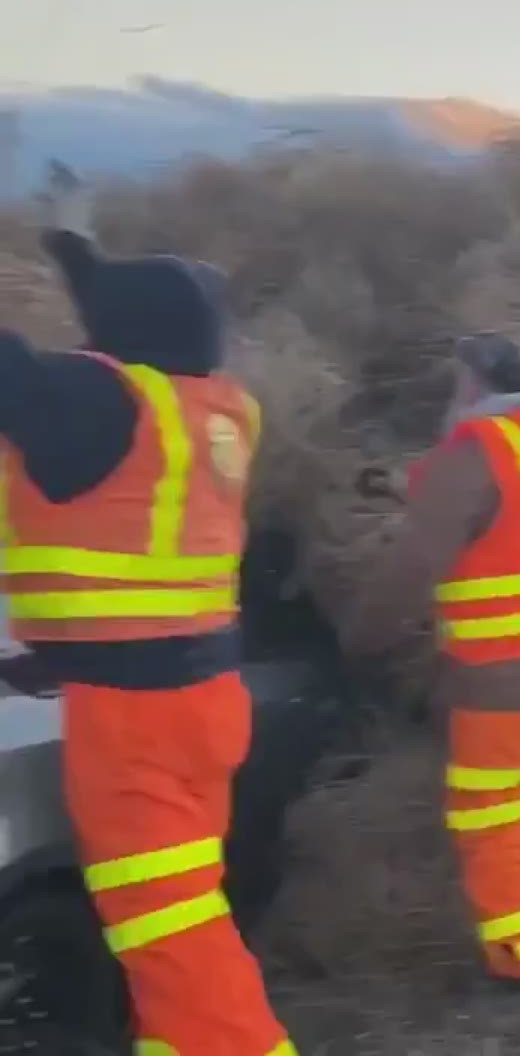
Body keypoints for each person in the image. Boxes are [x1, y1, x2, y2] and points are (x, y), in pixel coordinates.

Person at [0, 163, 297, 1054]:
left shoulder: (100, 403)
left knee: (167, 932)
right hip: (204, 702)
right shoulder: (216, 412)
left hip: (131, 725)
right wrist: (72, 249)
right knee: (171, 926)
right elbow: (138, 326)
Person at [341, 332, 520, 986]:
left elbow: (415, 566)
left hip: (506, 671)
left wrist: (363, 637)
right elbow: (518, 512)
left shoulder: (473, 452)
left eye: (456, 382)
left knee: (488, 811)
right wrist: (404, 485)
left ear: (475, 384)